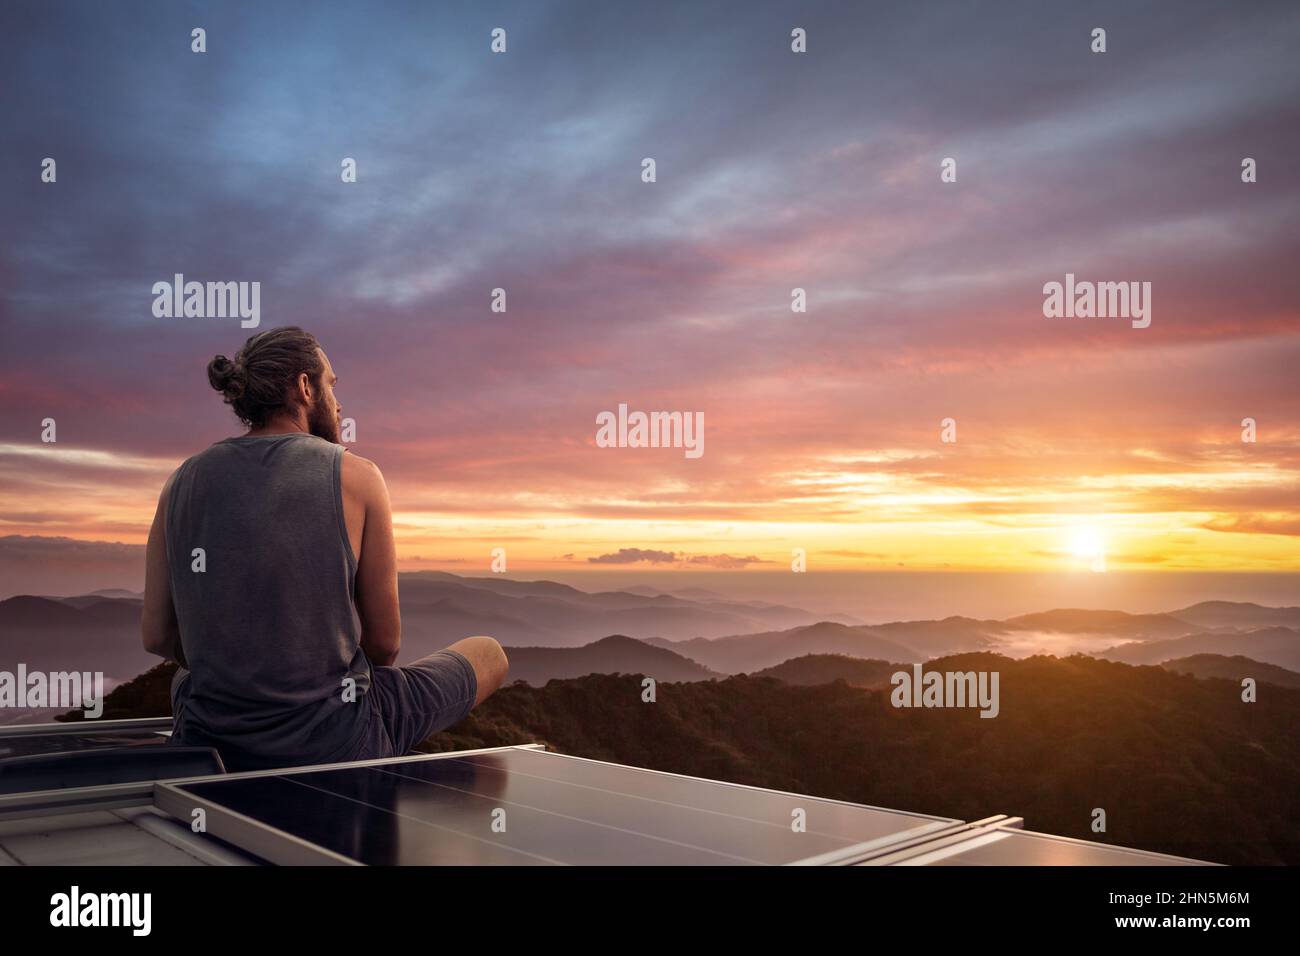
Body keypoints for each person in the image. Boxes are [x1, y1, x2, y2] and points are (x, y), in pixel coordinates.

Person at [141, 326, 507, 771]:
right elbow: (385, 646)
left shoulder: (180, 481)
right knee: (488, 653)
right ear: (304, 386)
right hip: (336, 740)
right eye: (331, 384)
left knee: (189, 676)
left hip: (211, 741)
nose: (338, 402)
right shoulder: (357, 475)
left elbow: (157, 636)